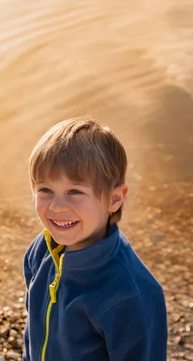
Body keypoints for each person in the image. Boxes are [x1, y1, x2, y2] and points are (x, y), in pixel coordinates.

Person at [22, 117, 167, 361]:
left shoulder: (132, 294)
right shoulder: (42, 250)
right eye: (45, 190)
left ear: (115, 199)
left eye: (75, 192)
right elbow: (34, 327)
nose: (57, 207)